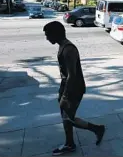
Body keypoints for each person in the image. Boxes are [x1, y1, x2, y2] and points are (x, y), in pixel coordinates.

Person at [43, 21, 105, 156]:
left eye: (48, 35)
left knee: (68, 118)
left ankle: (97, 129)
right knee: (65, 117)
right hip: (66, 86)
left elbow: (72, 75)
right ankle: (69, 143)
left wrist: (65, 96)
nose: (47, 38)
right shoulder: (63, 46)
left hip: (74, 88)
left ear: (55, 34)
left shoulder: (68, 49)